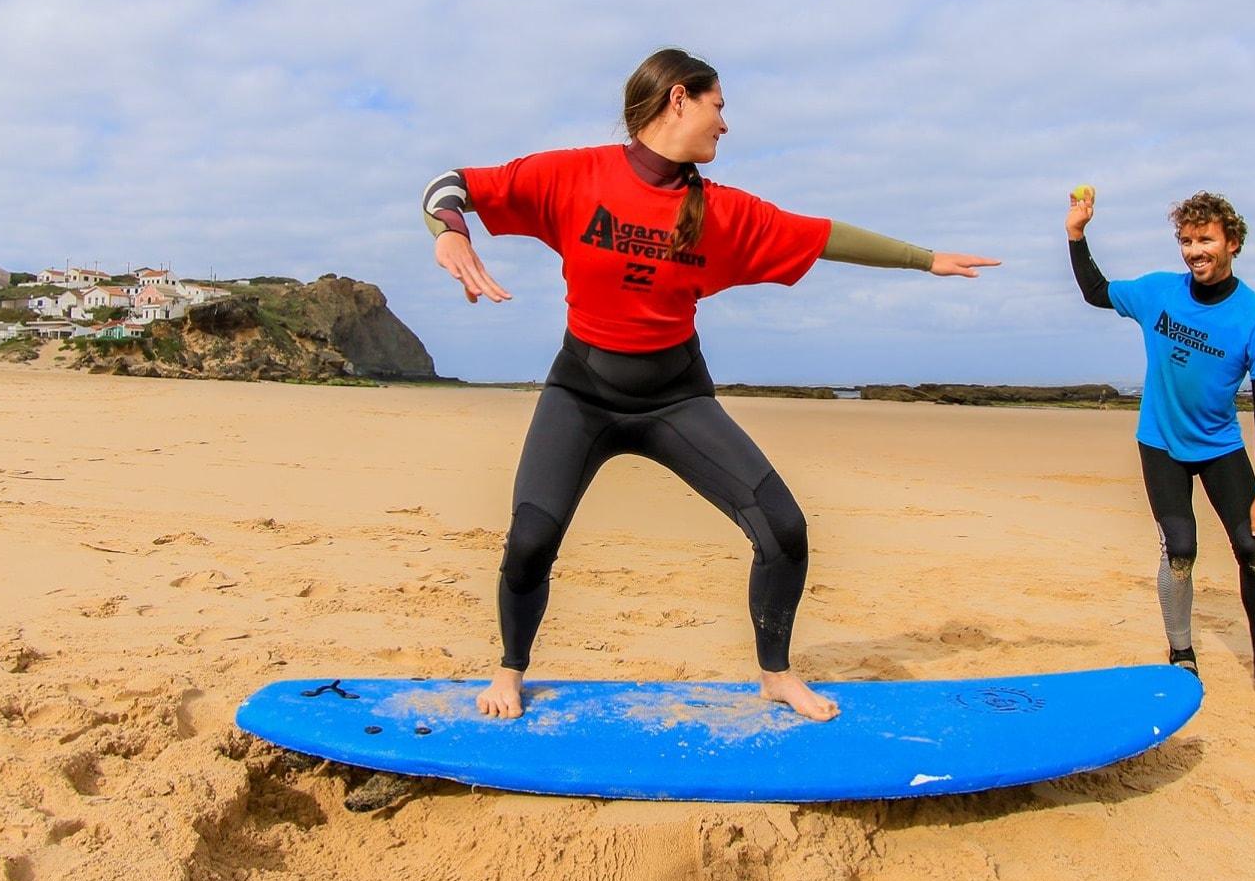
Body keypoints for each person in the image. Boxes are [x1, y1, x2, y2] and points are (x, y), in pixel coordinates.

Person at [425, 49, 1000, 721]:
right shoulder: (574, 175)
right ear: (679, 98)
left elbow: (821, 236)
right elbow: (450, 184)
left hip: (675, 397)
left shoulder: (724, 212)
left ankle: (777, 675)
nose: (725, 123)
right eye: (718, 106)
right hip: (581, 394)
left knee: (783, 527)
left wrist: (924, 259)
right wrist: (451, 234)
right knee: (529, 541)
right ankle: (510, 670)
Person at [1065, 186, 1255, 707]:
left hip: (1220, 446)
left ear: (1232, 242)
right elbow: (1096, 292)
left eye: (1206, 240)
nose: (1195, 251)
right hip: (1160, 445)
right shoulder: (1158, 293)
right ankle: (1182, 654)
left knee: (1252, 549)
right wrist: (1076, 235)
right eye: (1187, 241)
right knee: (1180, 551)